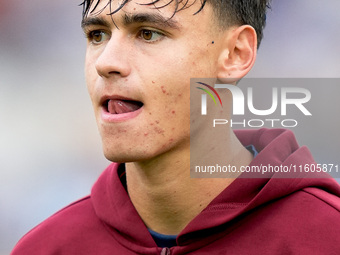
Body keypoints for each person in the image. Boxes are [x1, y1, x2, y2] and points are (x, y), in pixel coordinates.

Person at [11, 0, 340, 254]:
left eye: (148, 33)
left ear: (236, 54)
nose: (105, 62)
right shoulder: (46, 248)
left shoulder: (326, 237)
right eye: (97, 35)